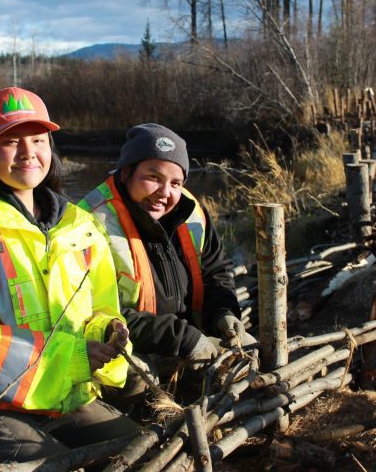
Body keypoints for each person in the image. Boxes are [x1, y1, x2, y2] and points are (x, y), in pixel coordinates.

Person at [0, 87, 139, 470]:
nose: (28, 152)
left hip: (53, 395)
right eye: (10, 141)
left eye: (38, 140)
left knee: (140, 450)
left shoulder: (80, 228)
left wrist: (105, 334)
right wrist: (73, 360)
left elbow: (100, 308)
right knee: (51, 465)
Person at [79, 123, 255, 398]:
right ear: (126, 174)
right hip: (128, 350)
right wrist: (183, 338)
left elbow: (215, 271)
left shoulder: (191, 210)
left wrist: (224, 312)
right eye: (153, 177)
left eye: (175, 183)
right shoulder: (88, 223)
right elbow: (96, 315)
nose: (164, 192)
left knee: (252, 353)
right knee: (138, 383)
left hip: (189, 337)